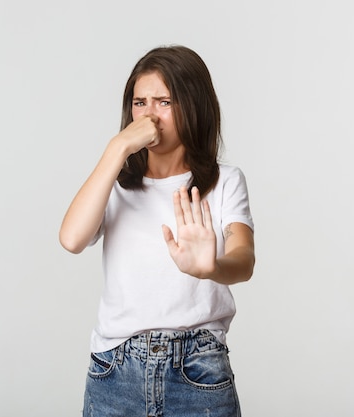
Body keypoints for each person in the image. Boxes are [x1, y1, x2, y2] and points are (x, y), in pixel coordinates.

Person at [59, 44, 255, 417]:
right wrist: (117, 148)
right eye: (139, 103)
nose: (149, 115)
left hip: (198, 371)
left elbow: (244, 260)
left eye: (164, 102)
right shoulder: (112, 183)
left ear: (192, 106)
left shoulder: (225, 182)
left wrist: (211, 267)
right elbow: (71, 239)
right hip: (116, 371)